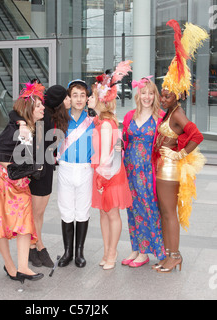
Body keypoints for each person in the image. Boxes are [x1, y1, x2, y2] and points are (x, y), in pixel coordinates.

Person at [154, 20, 208, 273]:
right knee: (164, 213)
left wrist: (178, 154)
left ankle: (174, 256)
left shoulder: (177, 114)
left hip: (169, 171)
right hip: (162, 169)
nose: (162, 98)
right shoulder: (169, 113)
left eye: (166, 95)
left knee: (169, 213)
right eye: (162, 94)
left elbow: (196, 135)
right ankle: (168, 255)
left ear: (177, 94)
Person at [0, 82, 45, 283]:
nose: (43, 108)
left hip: (17, 182)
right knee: (0, 224)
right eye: (38, 106)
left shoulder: (26, 125)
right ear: (29, 109)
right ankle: (11, 266)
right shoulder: (19, 127)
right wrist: (29, 169)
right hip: (2, 181)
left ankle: (22, 266)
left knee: (25, 222)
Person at [15, 84, 71, 268]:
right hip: (37, 170)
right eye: (67, 97)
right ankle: (37, 246)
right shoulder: (42, 113)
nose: (69, 100)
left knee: (39, 212)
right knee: (35, 212)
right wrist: (22, 123)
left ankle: (35, 246)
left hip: (46, 168)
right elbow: (16, 114)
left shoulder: (56, 114)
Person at [88, 62, 133, 270]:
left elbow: (110, 156)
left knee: (112, 213)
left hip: (109, 175)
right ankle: (106, 251)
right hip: (101, 174)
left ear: (99, 99)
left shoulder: (106, 124)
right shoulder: (100, 122)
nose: (89, 98)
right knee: (104, 213)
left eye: (92, 95)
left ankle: (112, 252)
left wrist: (101, 177)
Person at [122, 76, 166, 268]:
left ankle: (147, 251)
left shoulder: (161, 117)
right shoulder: (129, 115)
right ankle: (136, 247)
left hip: (148, 171)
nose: (147, 97)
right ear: (137, 95)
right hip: (129, 169)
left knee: (148, 209)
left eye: (150, 93)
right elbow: (124, 138)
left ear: (155, 96)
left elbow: (168, 142)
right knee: (132, 209)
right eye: (143, 93)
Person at [57, 79, 95, 268]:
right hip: (64, 168)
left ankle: (79, 252)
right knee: (66, 211)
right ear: (69, 98)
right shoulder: (60, 118)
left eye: (82, 95)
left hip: (85, 170)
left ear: (88, 98)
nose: (79, 99)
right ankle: (67, 252)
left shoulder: (93, 120)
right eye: (75, 95)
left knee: (82, 211)